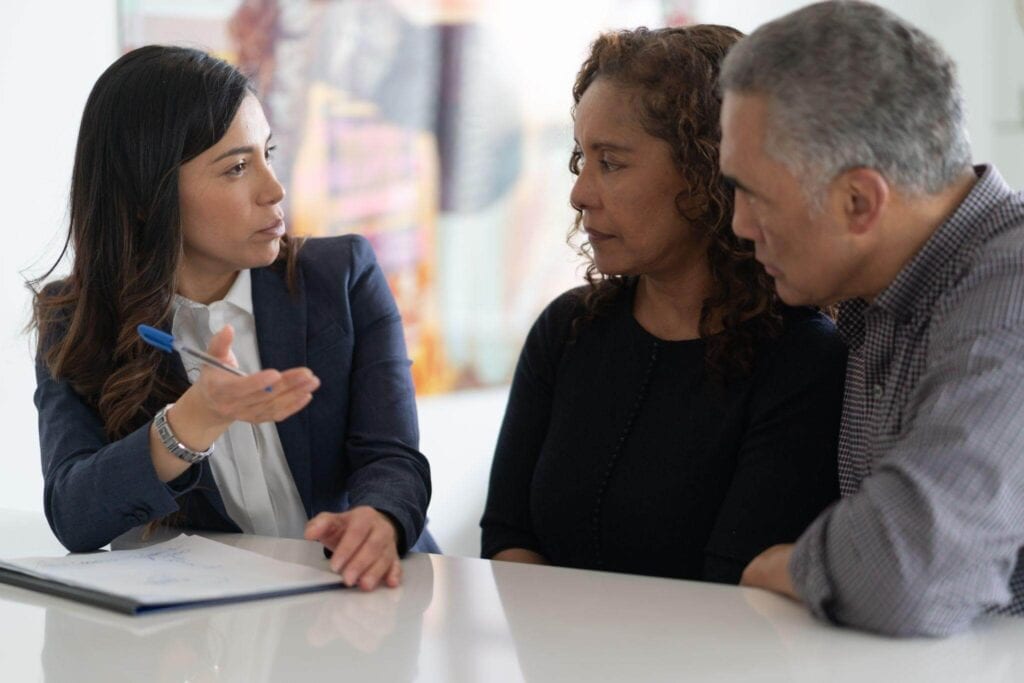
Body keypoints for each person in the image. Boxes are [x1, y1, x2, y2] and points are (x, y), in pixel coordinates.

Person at [31, 45, 436, 592]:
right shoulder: (76, 318)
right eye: (238, 167)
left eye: (267, 153)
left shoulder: (341, 276)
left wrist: (380, 519)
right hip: (209, 636)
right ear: (147, 197)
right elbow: (74, 517)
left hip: (359, 596)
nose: (274, 189)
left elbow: (393, 459)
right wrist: (189, 425)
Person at [479, 26, 847, 584]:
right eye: (582, 158)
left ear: (708, 173)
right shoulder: (568, 329)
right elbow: (508, 536)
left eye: (612, 162)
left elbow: (734, 584)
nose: (579, 192)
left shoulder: (801, 359)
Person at [719, 0, 1024, 636]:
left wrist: (788, 564)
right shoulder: (880, 293)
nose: (740, 226)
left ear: (859, 201)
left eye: (753, 194)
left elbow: (908, 574)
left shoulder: (1010, 294)